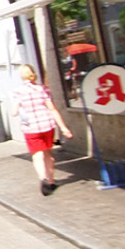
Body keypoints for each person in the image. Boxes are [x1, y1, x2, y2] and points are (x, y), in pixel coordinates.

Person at [11, 65, 73, 196]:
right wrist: (63, 128)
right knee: (48, 154)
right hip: (47, 125)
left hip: (31, 128)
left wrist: (20, 108)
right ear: (33, 74)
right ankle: (51, 181)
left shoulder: (18, 91)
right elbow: (52, 109)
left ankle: (42, 178)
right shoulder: (42, 89)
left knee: (37, 155)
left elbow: (14, 112)